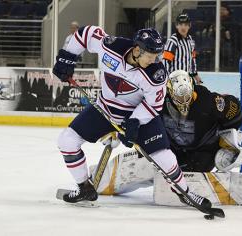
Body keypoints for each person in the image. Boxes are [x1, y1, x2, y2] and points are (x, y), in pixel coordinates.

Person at [52, 25, 212, 209]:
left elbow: (155, 104)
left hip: (138, 115)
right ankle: (84, 188)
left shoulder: (156, 75)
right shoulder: (111, 47)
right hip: (105, 109)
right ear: (137, 50)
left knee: (163, 155)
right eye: (150, 56)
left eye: (157, 56)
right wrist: (68, 57)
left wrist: (135, 121)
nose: (155, 60)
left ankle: (184, 192)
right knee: (67, 141)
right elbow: (85, 33)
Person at [89, 70, 242, 202]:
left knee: (179, 182)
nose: (183, 102)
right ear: (170, 91)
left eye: (186, 97)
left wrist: (234, 143)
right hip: (173, 149)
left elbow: (236, 116)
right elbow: (134, 116)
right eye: (179, 97)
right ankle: (99, 178)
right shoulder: (158, 100)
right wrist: (117, 130)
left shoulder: (211, 102)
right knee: (144, 164)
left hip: (203, 153)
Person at [162, 13, 201, 84]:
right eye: (180, 24)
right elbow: (166, 61)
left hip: (188, 79)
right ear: (177, 26)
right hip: (175, 80)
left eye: (186, 25)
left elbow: (193, 59)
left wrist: (195, 75)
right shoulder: (173, 41)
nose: (183, 27)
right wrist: (166, 80)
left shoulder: (191, 40)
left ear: (189, 26)